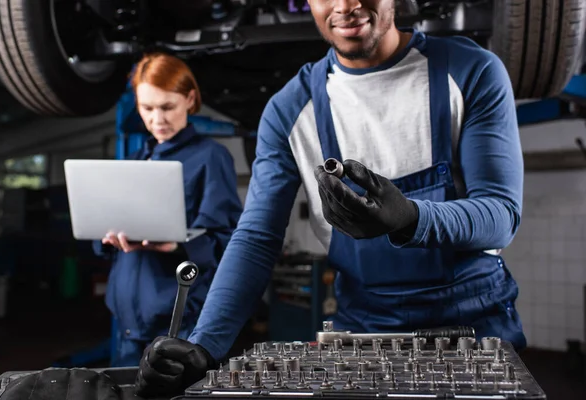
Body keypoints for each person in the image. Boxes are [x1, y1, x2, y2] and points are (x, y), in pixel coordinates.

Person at [134, 0, 525, 395]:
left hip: (473, 324)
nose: (346, 5)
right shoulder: (288, 111)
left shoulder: (470, 70)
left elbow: (501, 215)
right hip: (365, 331)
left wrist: (411, 217)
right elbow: (256, 237)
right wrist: (205, 345)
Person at [92, 53, 243, 367]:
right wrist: (106, 237)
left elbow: (228, 242)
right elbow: (108, 235)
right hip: (128, 323)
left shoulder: (210, 158)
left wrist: (178, 244)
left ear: (189, 99)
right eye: (147, 108)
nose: (157, 119)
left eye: (167, 107)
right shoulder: (135, 160)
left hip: (178, 323)